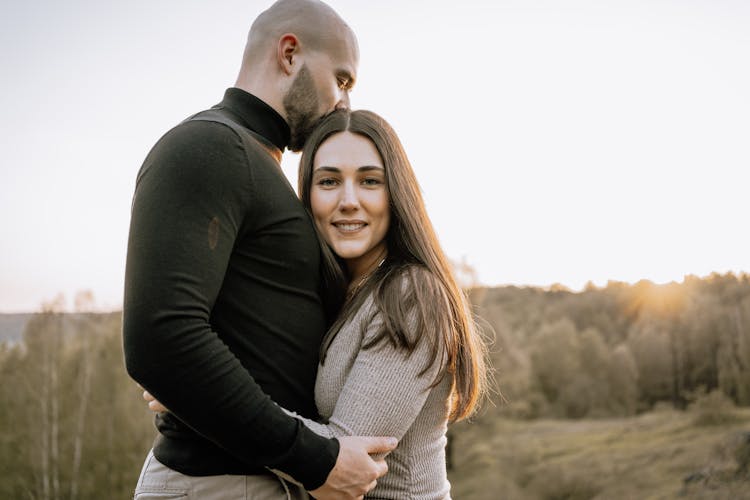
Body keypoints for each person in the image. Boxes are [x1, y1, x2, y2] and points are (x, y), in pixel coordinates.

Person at [122, 1, 396, 499]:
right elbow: (162, 341)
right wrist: (316, 461)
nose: (344, 104)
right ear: (290, 53)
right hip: (217, 485)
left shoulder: (258, 163)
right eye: (343, 80)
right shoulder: (208, 147)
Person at [146, 109, 488, 499]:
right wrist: (200, 382)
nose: (348, 201)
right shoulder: (339, 294)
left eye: (369, 181)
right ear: (306, 195)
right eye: (328, 181)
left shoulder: (411, 295)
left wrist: (205, 402)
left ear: (397, 194)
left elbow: (341, 456)